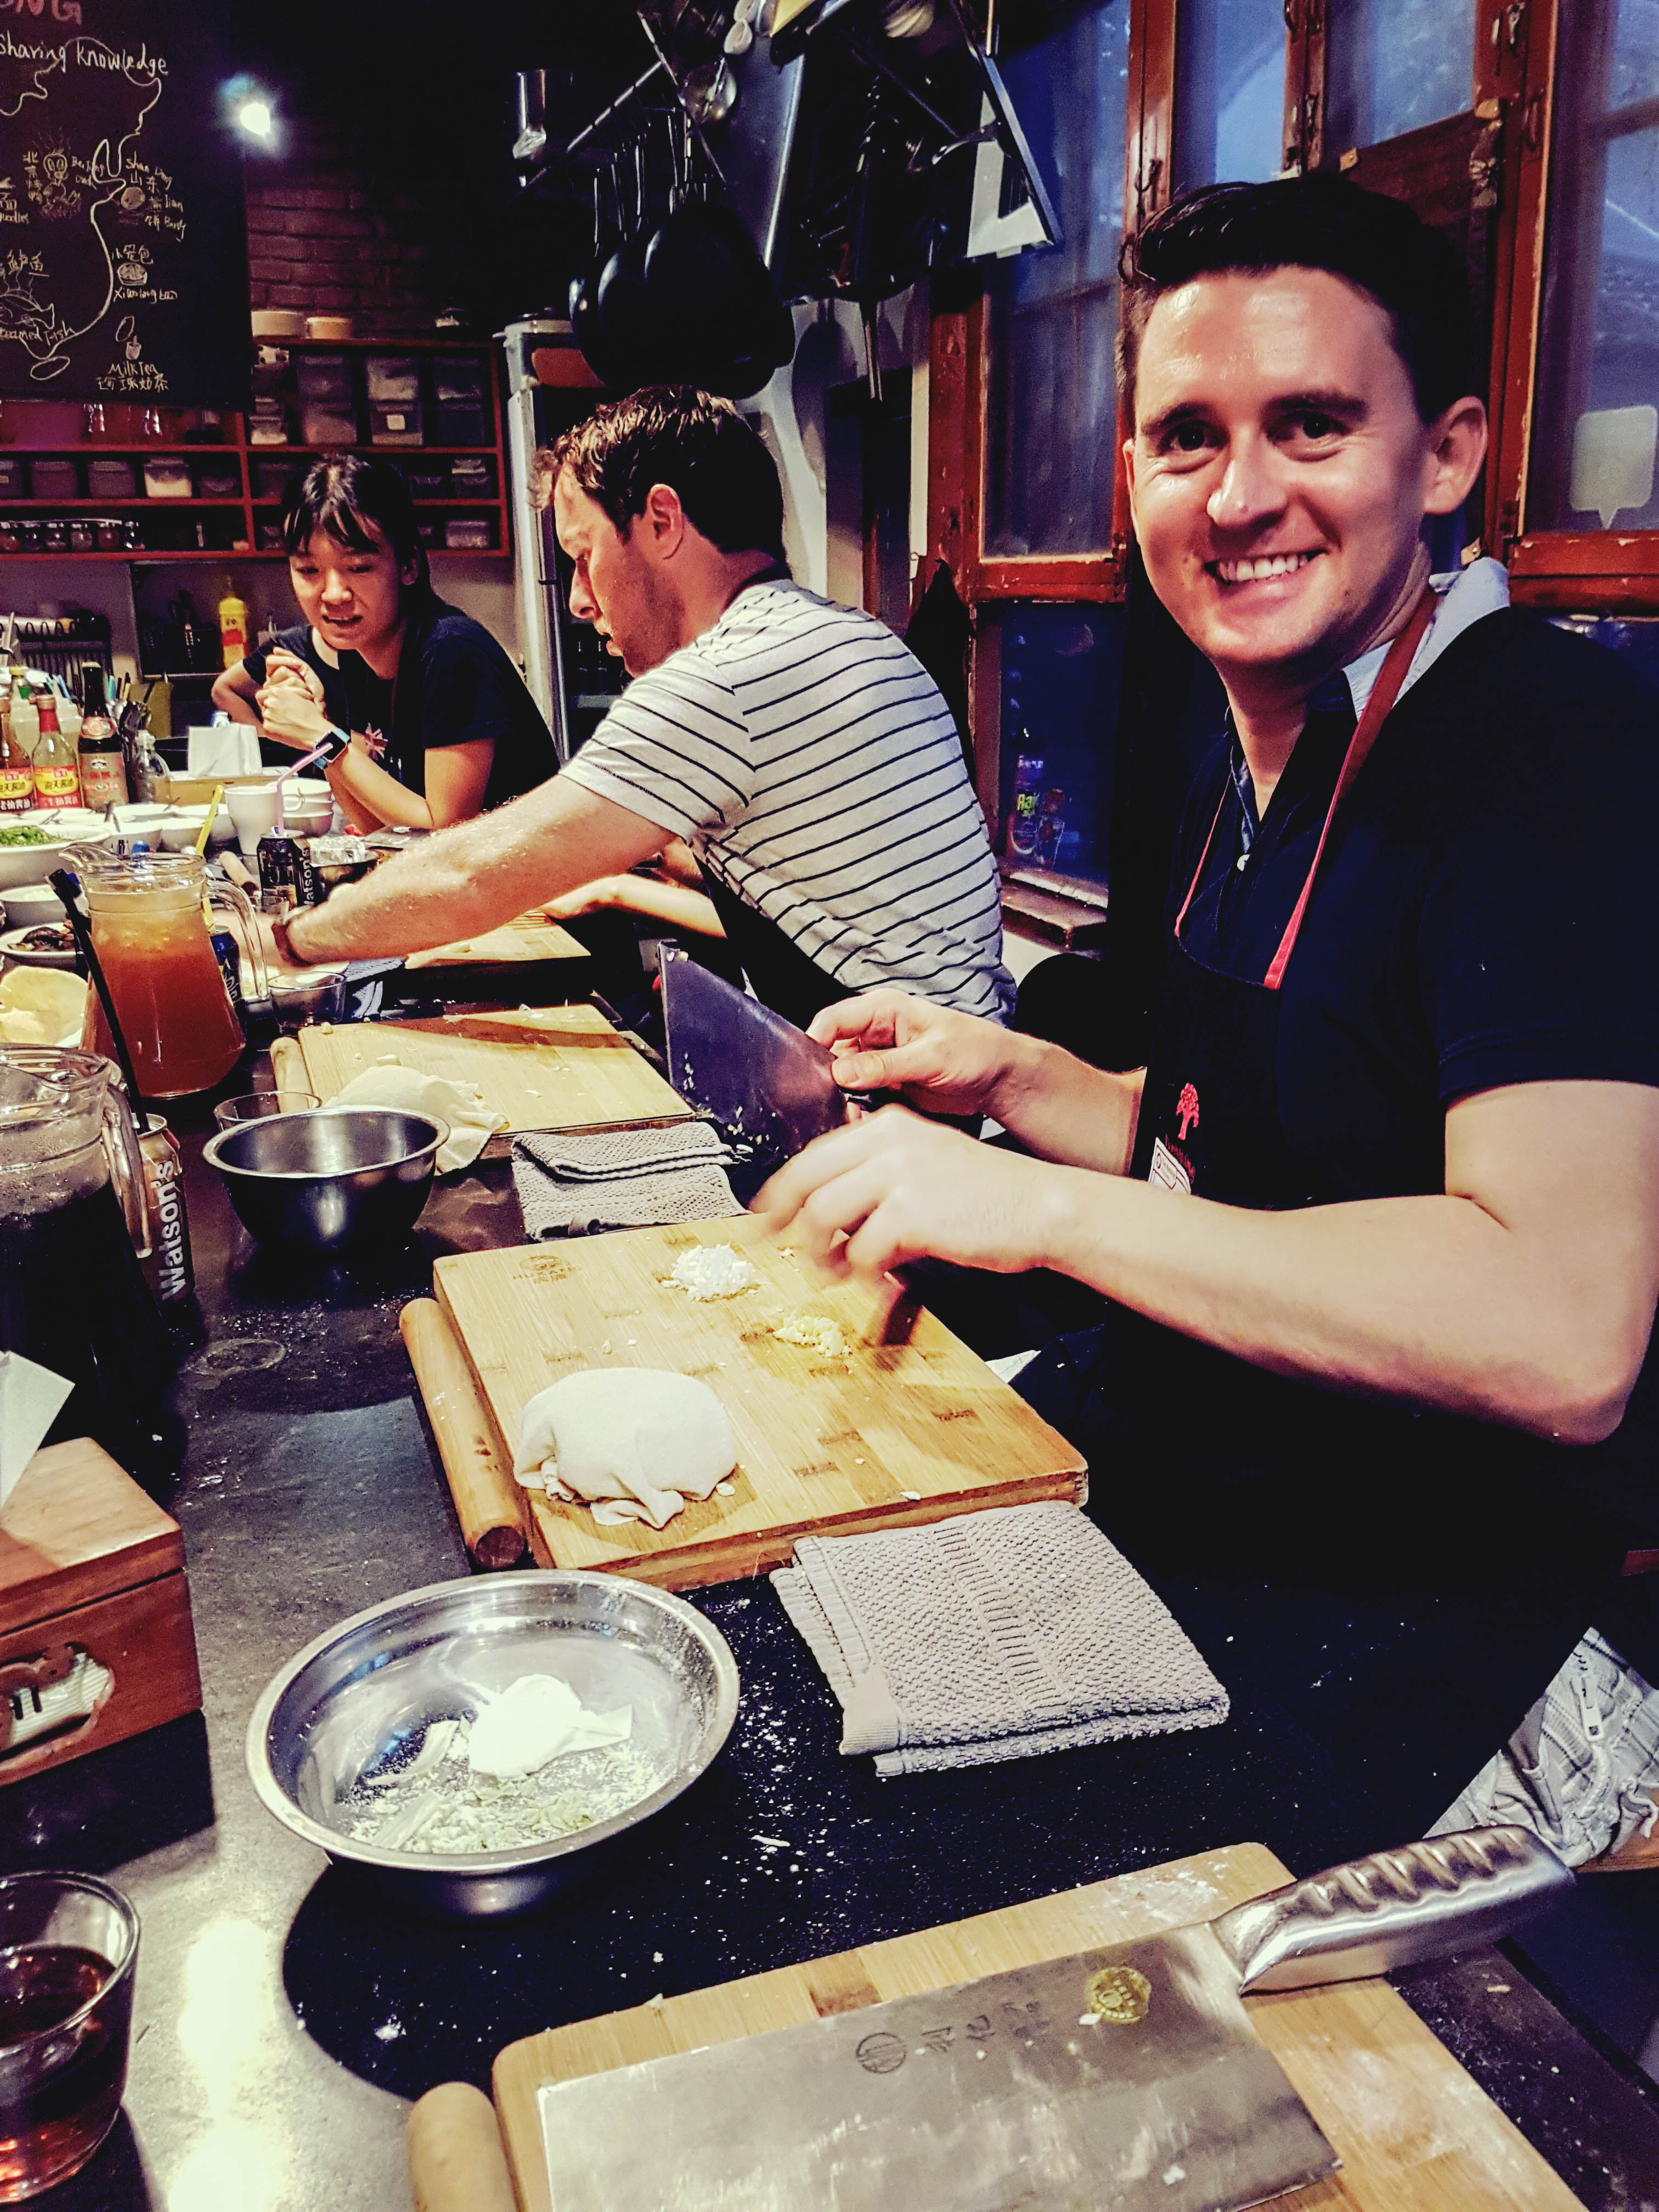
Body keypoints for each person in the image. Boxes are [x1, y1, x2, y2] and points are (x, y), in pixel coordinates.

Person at [756, 177, 1659, 1844]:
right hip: (1216, 1475)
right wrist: (1012, 1074)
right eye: (1188, 438)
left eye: (1311, 424)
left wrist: (1037, 1211)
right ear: (1134, 479)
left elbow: (1557, 1325)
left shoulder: (1550, 754)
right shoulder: (1262, 741)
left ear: (1446, 455)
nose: (1241, 496)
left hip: (1437, 1607)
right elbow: (1236, 1143)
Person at [262, 388, 1013, 1030]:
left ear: (661, 521)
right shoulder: (851, 634)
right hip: (961, 1063)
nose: (580, 599)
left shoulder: (722, 677)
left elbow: (469, 877)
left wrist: (292, 941)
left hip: (906, 1098)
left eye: (584, 556)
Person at [252, 454, 558, 831]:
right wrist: (320, 728)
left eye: (359, 568)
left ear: (408, 566)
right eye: (308, 570)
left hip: (532, 865)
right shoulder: (356, 654)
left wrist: (322, 736)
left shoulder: (451, 651)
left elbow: (448, 832)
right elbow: (375, 826)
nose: (333, 594)